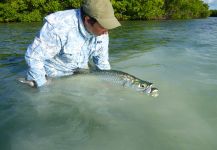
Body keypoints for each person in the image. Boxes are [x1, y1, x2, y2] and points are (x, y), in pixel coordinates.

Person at [19, 0, 121, 87]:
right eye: (104, 26)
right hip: (52, 76)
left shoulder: (102, 32)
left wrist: (108, 83)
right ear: (88, 20)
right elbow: (34, 57)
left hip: (80, 72)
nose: (107, 32)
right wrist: (43, 87)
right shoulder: (59, 26)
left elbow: (102, 62)